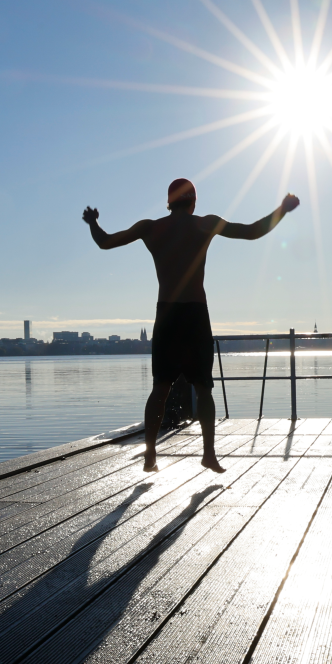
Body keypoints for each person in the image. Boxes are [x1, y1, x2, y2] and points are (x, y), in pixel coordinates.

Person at [83, 179, 300, 473]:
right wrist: (283, 208)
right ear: (193, 202)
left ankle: (150, 453)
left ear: (169, 203)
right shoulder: (204, 224)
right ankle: (208, 453)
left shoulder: (150, 228)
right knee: (204, 387)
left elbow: (104, 242)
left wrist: (93, 222)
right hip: (195, 313)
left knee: (160, 387)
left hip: (167, 314)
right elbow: (252, 232)